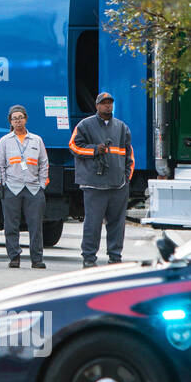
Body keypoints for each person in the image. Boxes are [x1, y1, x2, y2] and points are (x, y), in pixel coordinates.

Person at [69, 91, 135, 266]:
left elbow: (129, 154)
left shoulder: (121, 127)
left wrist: (126, 177)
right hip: (94, 185)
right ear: (97, 106)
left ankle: (115, 258)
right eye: (104, 103)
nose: (108, 106)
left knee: (117, 225)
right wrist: (93, 150)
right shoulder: (85, 125)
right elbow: (74, 146)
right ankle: (89, 258)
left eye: (110, 103)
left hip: (118, 185)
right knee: (93, 224)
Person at [0, 104, 50, 269]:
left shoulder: (36, 140)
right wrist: (1, 185)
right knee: (11, 224)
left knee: (36, 225)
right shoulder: (5, 141)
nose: (18, 121)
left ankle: (37, 259)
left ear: (26, 119)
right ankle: (14, 257)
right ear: (10, 121)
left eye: (20, 117)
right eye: (14, 118)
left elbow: (43, 164)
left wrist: (41, 186)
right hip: (12, 187)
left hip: (33, 188)